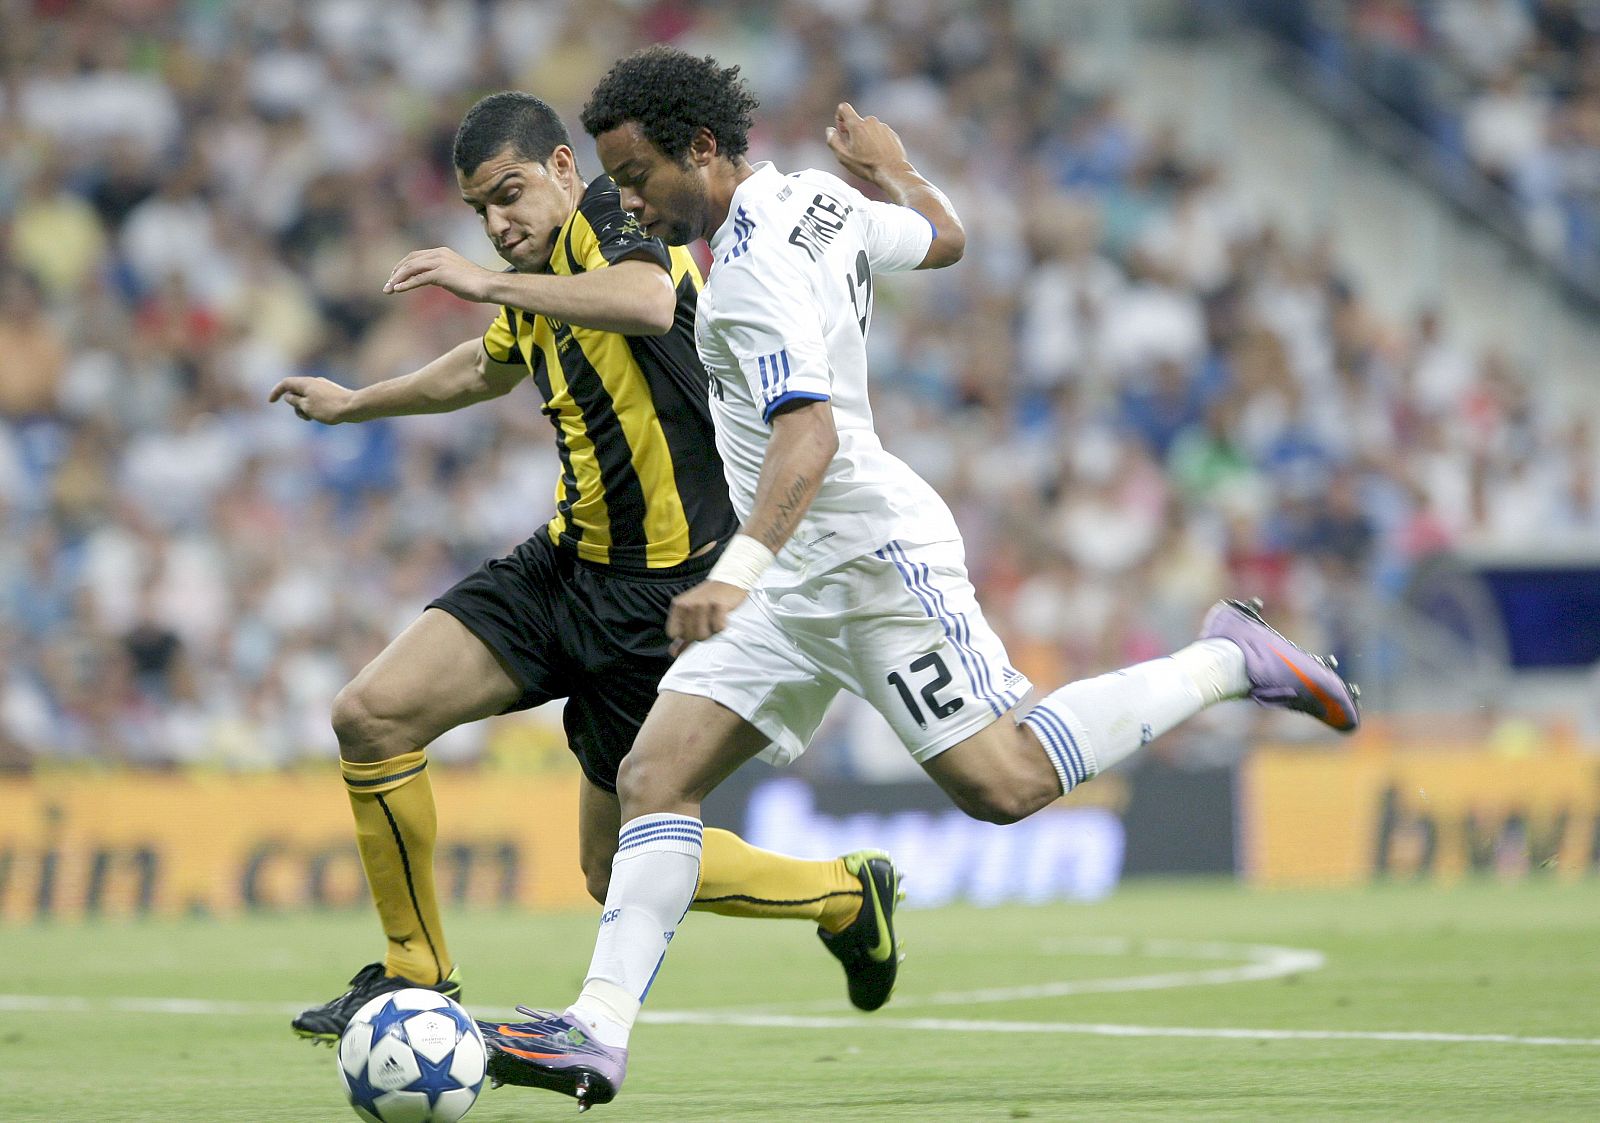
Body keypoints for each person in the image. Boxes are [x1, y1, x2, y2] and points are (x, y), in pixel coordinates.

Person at [475, 48, 1361, 1110]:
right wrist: (893, 170)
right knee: (651, 783)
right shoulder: (813, 194)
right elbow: (944, 239)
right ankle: (595, 1032)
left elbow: (803, 440)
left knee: (1006, 785)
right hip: (796, 576)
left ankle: (1228, 657)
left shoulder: (750, 277)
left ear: (701, 150)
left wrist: (737, 571)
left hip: (865, 559)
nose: (625, 200)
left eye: (636, 175)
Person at [268, 91, 906, 1044]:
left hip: (659, 596)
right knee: (370, 714)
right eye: (480, 210)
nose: (497, 224)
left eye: (511, 193)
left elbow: (651, 301)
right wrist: (357, 402)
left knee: (615, 873)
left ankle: (842, 896)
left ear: (565, 170)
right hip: (563, 567)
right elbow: (486, 367)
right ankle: (416, 971)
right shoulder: (533, 284)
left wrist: (486, 280)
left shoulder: (617, 213)